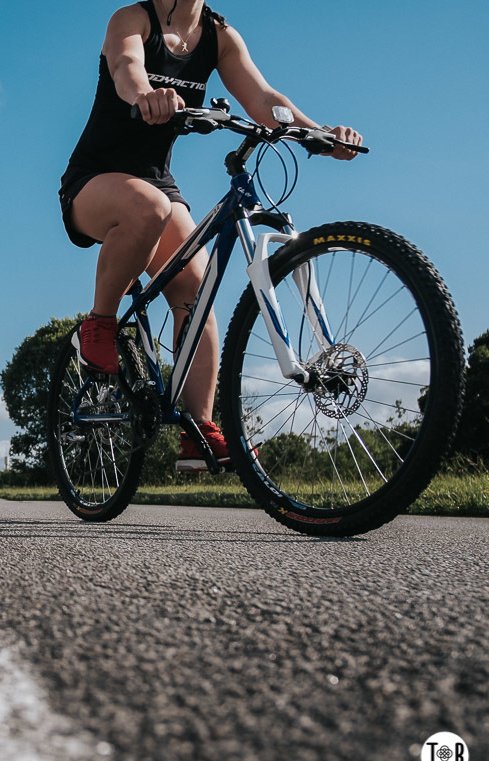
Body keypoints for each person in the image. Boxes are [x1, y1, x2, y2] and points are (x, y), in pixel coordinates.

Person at [59, 0, 362, 472]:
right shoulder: (132, 19)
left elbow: (263, 99)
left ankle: (198, 431)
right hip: (94, 179)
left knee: (196, 296)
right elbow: (126, 67)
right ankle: (98, 324)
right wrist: (146, 94)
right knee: (150, 208)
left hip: (156, 180)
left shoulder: (219, 36)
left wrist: (318, 134)